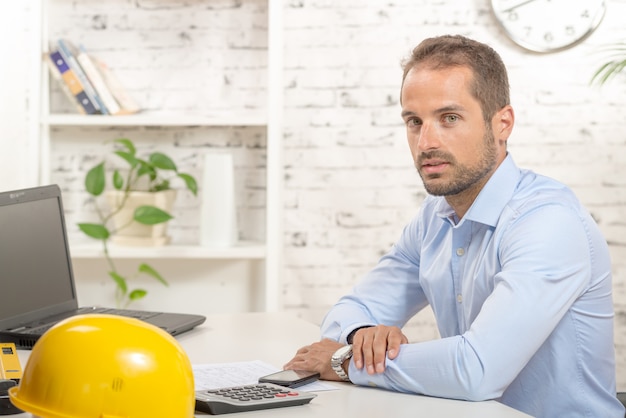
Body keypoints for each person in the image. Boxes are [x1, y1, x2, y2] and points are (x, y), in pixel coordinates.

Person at [284, 35, 624, 418]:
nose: (426, 142)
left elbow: (478, 368)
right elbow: (354, 307)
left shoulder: (548, 222)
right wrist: (362, 339)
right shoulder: (435, 217)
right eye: (414, 121)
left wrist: (346, 363)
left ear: (502, 123)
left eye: (449, 118)